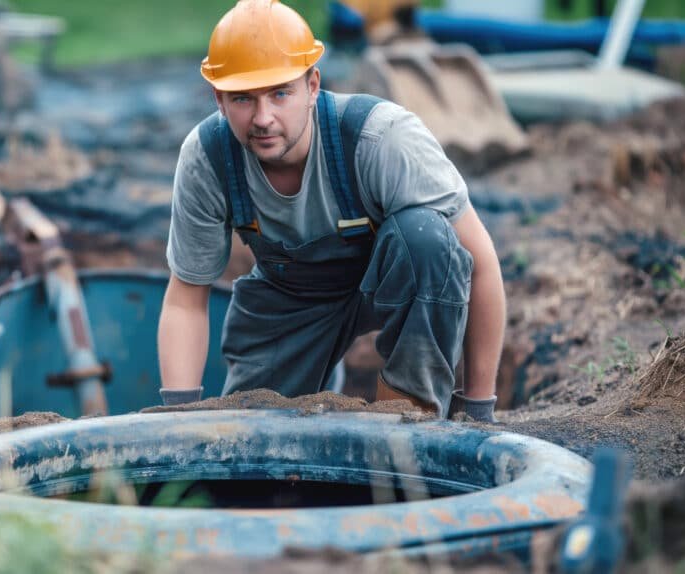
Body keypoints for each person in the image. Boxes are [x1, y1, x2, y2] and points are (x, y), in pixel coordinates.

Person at [157, 0, 505, 421]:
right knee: (254, 443)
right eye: (243, 98)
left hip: (396, 280)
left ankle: (408, 419)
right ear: (220, 98)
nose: (263, 118)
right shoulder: (208, 157)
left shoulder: (382, 138)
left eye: (280, 92)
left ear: (313, 85)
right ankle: (317, 392)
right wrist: (178, 419)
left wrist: (479, 409)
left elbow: (479, 261)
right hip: (290, 298)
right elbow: (185, 298)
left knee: (426, 238)